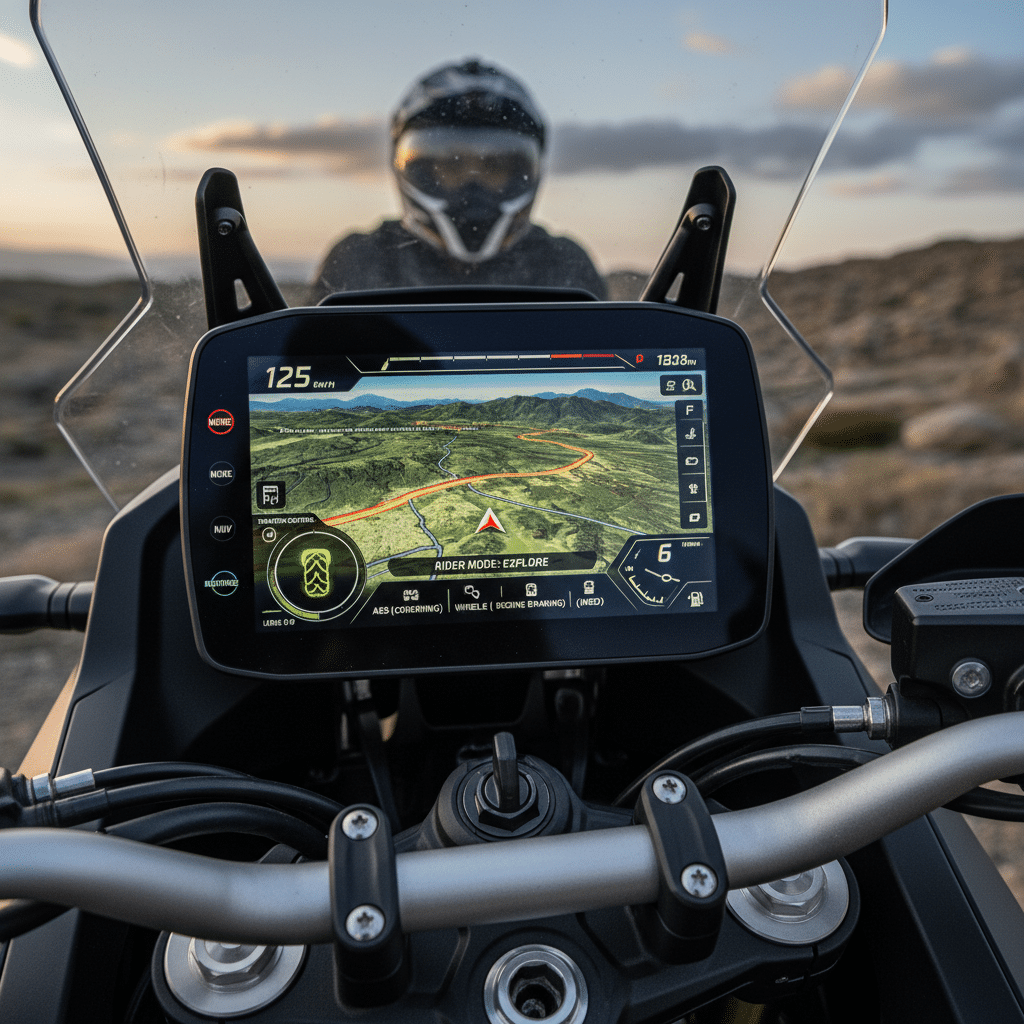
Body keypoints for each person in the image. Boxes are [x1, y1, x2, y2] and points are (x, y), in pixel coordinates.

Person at [310, 59, 606, 301]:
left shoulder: (566, 266)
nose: (472, 188)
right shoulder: (360, 261)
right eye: (449, 166)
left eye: (494, 167)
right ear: (413, 168)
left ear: (526, 171)